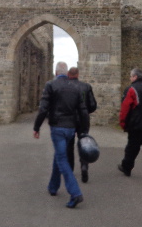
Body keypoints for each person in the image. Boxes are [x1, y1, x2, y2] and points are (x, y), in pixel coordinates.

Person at [34, 61, 89, 208]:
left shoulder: (51, 85)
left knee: (62, 159)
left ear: (56, 72)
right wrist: (84, 130)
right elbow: (83, 111)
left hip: (58, 127)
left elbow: (43, 108)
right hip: (71, 128)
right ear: (66, 72)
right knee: (60, 155)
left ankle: (75, 193)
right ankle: (53, 187)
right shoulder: (76, 87)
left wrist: (36, 127)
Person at [66, 66, 97, 183]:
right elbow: (93, 105)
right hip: (83, 119)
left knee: (69, 145)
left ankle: (70, 169)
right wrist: (85, 111)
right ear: (78, 75)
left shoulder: (66, 87)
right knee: (84, 143)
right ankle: (84, 165)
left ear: (69, 74)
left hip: (69, 119)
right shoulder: (86, 87)